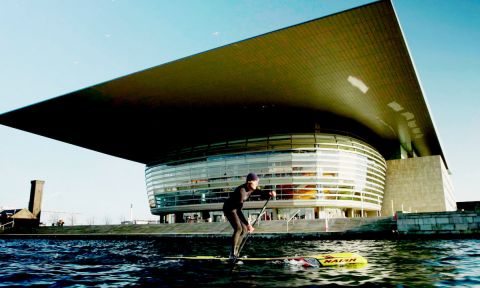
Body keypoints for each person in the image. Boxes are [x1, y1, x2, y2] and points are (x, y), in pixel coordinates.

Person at [223, 173, 276, 259]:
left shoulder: (252, 188)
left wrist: (270, 193)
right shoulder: (241, 191)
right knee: (238, 228)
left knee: (244, 230)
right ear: (249, 182)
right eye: (256, 182)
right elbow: (239, 211)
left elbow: (261, 193)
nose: (257, 184)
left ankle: (236, 252)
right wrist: (248, 224)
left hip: (236, 209)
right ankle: (232, 253)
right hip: (229, 208)